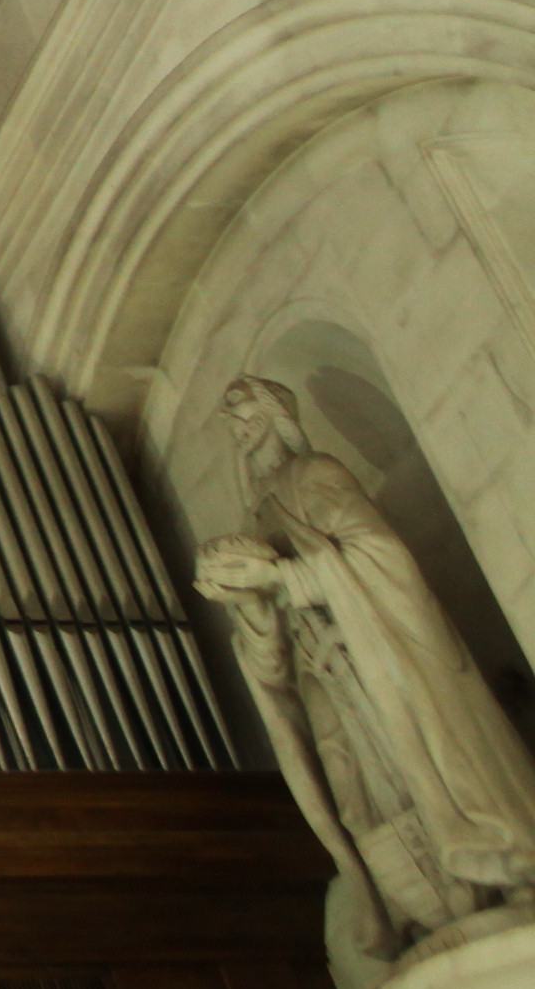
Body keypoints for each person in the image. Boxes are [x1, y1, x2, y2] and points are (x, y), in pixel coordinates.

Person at [202, 375, 535, 955]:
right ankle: (421, 912)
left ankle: (483, 887)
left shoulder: (315, 474)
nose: (238, 426)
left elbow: (383, 556)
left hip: (377, 663)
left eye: (246, 410)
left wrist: (284, 578)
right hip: (325, 687)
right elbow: (271, 663)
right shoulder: (256, 524)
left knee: (416, 769)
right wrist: (252, 607)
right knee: (358, 802)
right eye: (230, 420)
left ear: (279, 413)